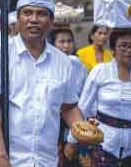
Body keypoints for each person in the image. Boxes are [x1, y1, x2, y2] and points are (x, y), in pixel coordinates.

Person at [0, 0, 85, 167]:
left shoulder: (63, 62)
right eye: (27, 13)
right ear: (18, 19)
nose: (34, 19)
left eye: (41, 14)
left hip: (45, 159)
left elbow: (68, 107)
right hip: (3, 159)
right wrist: (1, 159)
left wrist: (84, 128)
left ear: (51, 21)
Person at [65, 29, 131, 167]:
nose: (128, 49)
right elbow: (83, 106)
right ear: (113, 49)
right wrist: (72, 140)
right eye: (123, 45)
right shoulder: (101, 71)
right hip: (102, 143)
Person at [49, 28, 88, 167]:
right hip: (53, 118)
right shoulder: (48, 63)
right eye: (62, 41)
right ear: (53, 44)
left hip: (73, 117)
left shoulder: (77, 64)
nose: (66, 46)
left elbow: (84, 94)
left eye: (69, 41)